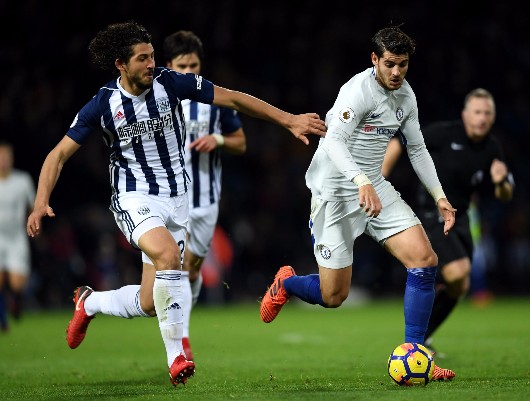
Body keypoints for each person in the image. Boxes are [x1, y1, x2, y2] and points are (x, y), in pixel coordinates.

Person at [26, 21, 326, 386]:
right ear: (121, 64)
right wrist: (40, 202)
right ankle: (177, 357)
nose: (151, 64)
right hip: (134, 197)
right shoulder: (103, 104)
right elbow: (57, 155)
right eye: (142, 58)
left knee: (150, 303)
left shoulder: (170, 83)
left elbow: (233, 98)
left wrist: (288, 119)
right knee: (169, 258)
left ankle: (89, 303)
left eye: (152, 56)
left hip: (177, 198)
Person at [259, 25, 457, 381]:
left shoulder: (406, 97)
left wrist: (439, 196)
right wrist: (360, 180)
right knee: (334, 296)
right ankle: (287, 284)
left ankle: (417, 355)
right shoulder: (357, 92)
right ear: (374, 59)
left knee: (424, 260)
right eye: (390, 64)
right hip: (335, 193)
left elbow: (417, 148)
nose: (396, 72)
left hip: (373, 187)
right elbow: (334, 142)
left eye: (403, 64)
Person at [381, 88, 514, 352]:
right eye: (477, 112)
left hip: (461, 217)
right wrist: (380, 175)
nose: (482, 118)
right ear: (465, 114)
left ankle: (422, 338)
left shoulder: (492, 147)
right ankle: (423, 281)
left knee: (459, 285)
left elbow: (505, 195)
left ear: (493, 117)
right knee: (457, 271)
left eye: (487, 113)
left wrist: (501, 182)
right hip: (432, 212)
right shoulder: (445, 133)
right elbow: (401, 139)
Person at [162, 30, 247, 362]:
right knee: (178, 267)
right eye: (182, 66)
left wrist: (218, 140)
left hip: (207, 200)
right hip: (171, 199)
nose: (189, 72)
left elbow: (241, 142)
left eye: (194, 66)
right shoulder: (158, 100)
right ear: (168, 66)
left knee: (193, 271)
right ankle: (180, 339)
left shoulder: (213, 99)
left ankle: (181, 330)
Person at [0, 141, 35, 332]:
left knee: (16, 283)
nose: (3, 160)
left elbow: (32, 207)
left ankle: (17, 301)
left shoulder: (22, 181)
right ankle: (3, 320)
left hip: (16, 238)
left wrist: (34, 226)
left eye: (7, 156)